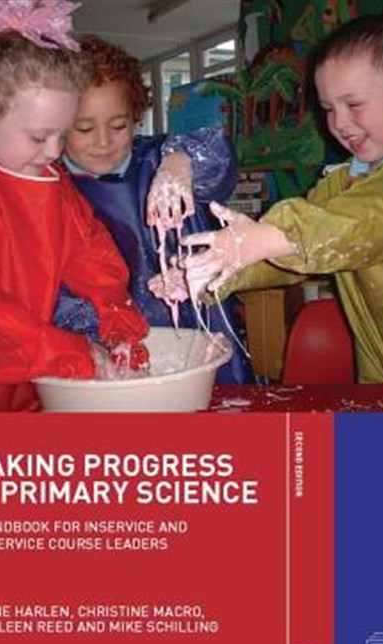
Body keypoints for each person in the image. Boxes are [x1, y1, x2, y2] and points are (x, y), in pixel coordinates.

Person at [181, 14, 383, 393]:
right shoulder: (341, 183)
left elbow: (366, 219)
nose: (339, 123)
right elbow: (286, 256)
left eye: (354, 104)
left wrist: (267, 237)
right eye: (329, 108)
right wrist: (218, 270)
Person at [0, 0, 149, 412]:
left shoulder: (47, 175)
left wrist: (120, 324)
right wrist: (75, 355)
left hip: (29, 383)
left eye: (62, 135)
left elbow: (92, 255)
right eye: (38, 136)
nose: (53, 152)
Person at [57, 35, 254, 384]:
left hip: (198, 325)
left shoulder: (158, 159)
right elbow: (58, 289)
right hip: (106, 340)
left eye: (118, 125)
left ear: (136, 117)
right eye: (84, 128)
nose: (103, 141)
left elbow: (219, 160)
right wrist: (94, 336)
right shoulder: (51, 190)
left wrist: (182, 161)